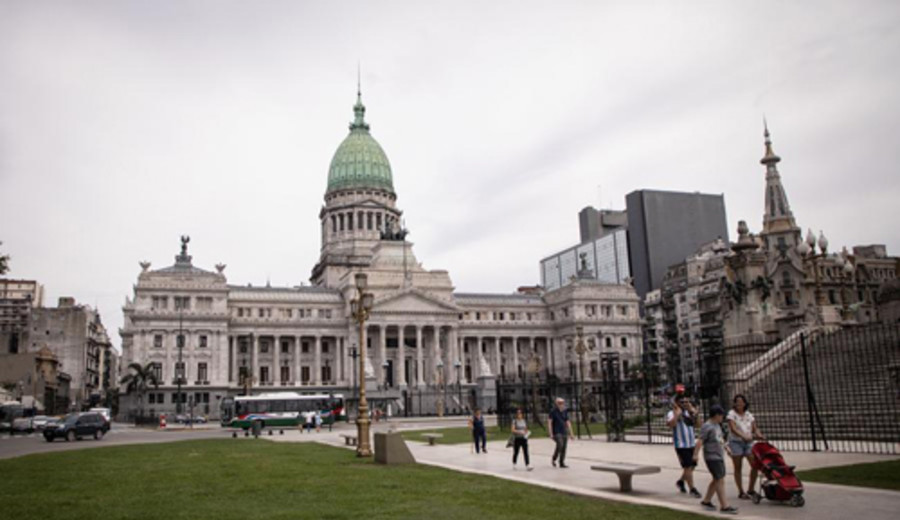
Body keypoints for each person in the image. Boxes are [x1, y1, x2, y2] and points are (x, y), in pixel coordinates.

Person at [694, 405, 737, 515]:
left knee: (717, 478)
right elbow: (700, 440)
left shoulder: (717, 425)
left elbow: (720, 439)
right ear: (717, 415)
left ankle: (706, 500)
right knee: (719, 479)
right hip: (712, 456)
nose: (722, 418)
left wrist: (727, 448)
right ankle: (724, 505)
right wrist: (695, 454)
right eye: (721, 415)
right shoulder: (707, 426)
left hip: (719, 455)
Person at [665, 386, 701, 498]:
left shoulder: (689, 412)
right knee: (688, 466)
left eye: (686, 401)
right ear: (677, 402)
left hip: (691, 443)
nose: (684, 403)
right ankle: (692, 489)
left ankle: (681, 481)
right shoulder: (672, 413)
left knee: (692, 466)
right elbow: (671, 425)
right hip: (681, 444)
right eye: (682, 401)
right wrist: (677, 414)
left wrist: (693, 412)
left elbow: (699, 425)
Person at [727, 394, 764, 500]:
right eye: (737, 401)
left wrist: (759, 434)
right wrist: (743, 436)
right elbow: (733, 429)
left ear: (744, 403)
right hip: (736, 442)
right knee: (738, 467)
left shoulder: (749, 415)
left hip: (748, 442)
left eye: (741, 401)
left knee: (754, 465)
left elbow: (754, 428)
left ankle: (751, 489)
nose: (739, 403)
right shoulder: (731, 414)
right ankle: (741, 491)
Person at [548, 397, 574, 468]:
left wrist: (571, 433)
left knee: (564, 447)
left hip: (564, 431)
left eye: (562, 403)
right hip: (556, 431)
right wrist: (550, 433)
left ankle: (562, 462)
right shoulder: (553, 412)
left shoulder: (565, 411)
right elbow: (550, 422)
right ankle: (554, 458)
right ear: (556, 403)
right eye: (559, 403)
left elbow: (567, 422)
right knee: (560, 444)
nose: (561, 404)